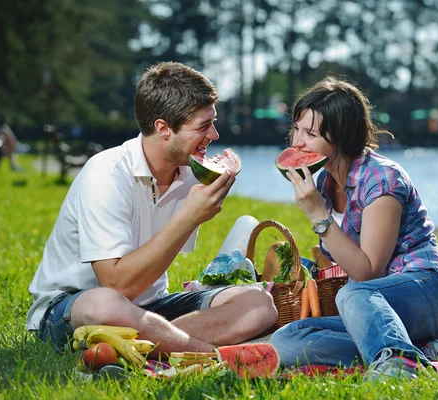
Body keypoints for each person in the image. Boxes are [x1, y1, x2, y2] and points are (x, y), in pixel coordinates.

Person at [26, 62, 278, 357]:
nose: (215, 135)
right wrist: (189, 217)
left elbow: (145, 282)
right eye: (202, 126)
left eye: (213, 122)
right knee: (105, 304)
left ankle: (133, 346)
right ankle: (214, 357)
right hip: (72, 307)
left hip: (148, 308)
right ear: (163, 129)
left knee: (258, 304)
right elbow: (117, 285)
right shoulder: (106, 173)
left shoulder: (187, 176)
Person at [269, 77, 438, 380]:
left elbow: (368, 272)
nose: (296, 142)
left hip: (426, 292)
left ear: (341, 137)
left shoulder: (382, 179)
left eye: (310, 133)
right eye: (296, 129)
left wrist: (318, 215)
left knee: (352, 295)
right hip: (372, 309)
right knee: (287, 339)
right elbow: (344, 262)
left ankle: (399, 369)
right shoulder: (325, 181)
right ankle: (421, 353)